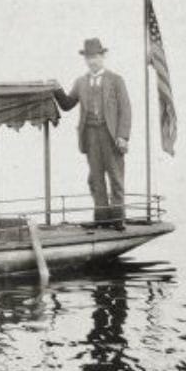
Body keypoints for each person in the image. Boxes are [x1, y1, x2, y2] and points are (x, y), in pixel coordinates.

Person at [53, 38, 132, 229]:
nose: (92, 61)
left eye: (95, 57)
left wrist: (123, 136)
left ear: (103, 56)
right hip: (90, 135)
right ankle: (102, 220)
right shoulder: (81, 82)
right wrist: (56, 88)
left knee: (116, 178)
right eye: (89, 58)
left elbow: (126, 110)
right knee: (96, 179)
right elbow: (67, 104)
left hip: (111, 136)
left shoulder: (116, 80)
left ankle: (118, 220)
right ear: (85, 59)